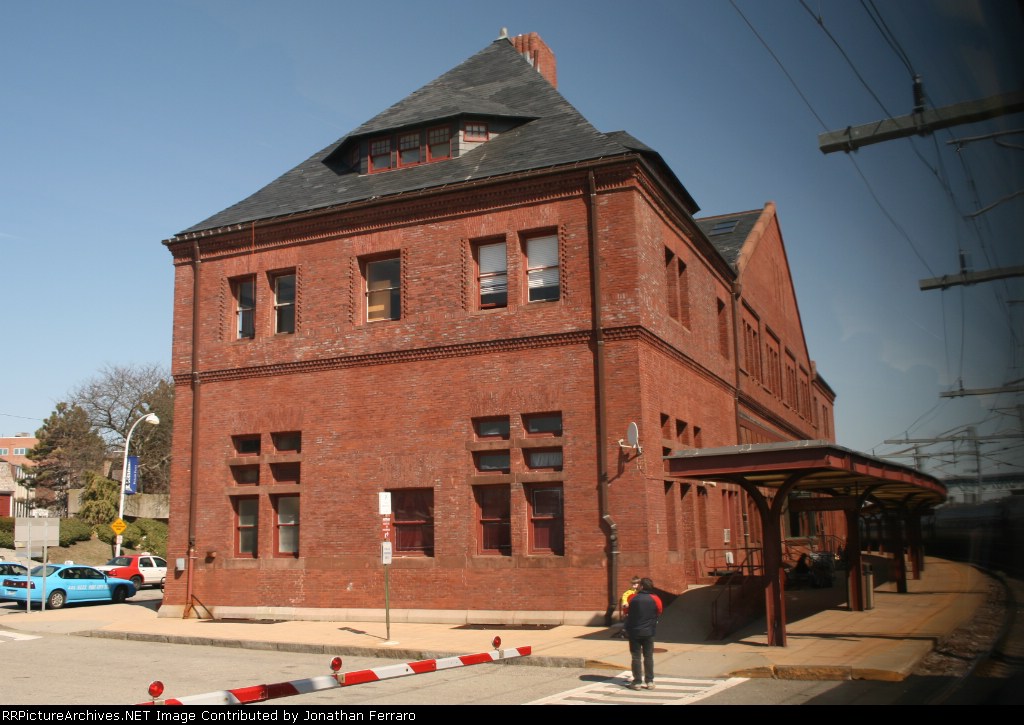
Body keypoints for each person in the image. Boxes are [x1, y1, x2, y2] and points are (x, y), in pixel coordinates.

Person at [623, 577, 662, 690]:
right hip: (649, 631)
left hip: (634, 631)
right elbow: (659, 611)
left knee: (636, 657)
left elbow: (626, 611)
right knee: (648, 656)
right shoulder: (655, 598)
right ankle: (649, 681)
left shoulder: (633, 598)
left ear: (642, 586)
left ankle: (637, 682)